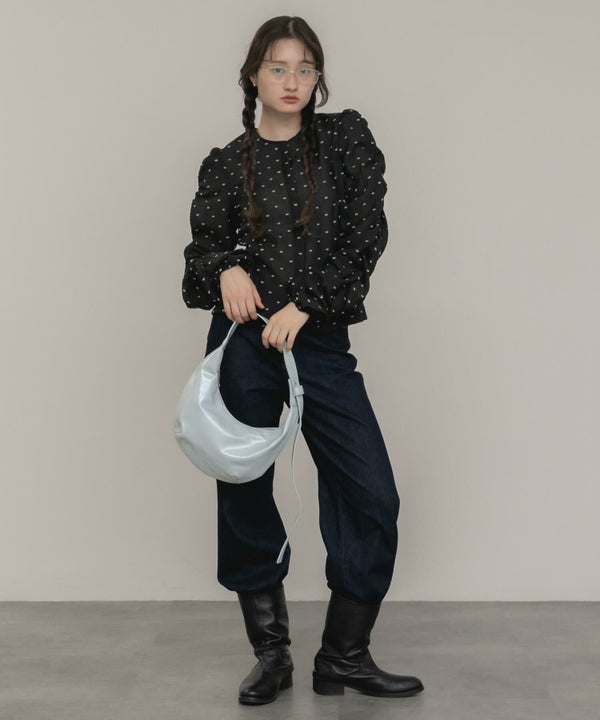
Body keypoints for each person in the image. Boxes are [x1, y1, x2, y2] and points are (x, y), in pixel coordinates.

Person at [181, 15, 424, 706]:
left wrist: (308, 306)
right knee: (243, 491)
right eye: (278, 68)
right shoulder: (226, 162)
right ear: (253, 76)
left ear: (319, 78)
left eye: (306, 68)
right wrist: (225, 268)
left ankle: (343, 655)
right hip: (245, 344)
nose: (293, 81)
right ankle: (272, 656)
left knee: (370, 492)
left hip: (316, 341)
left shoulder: (346, 141)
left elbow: (365, 234)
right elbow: (200, 255)